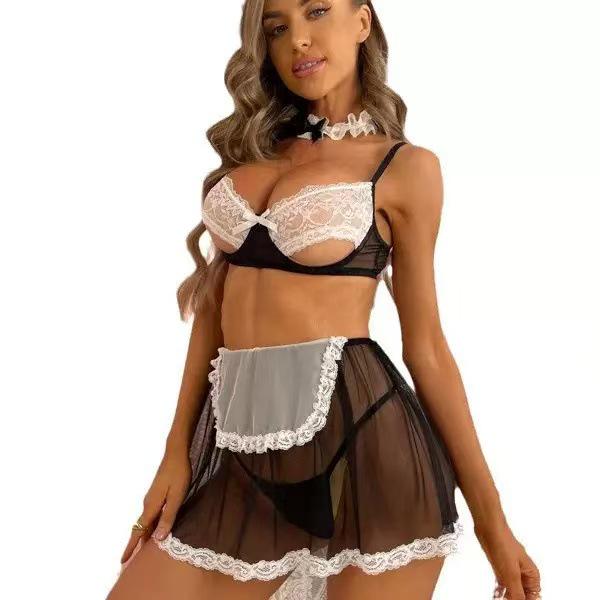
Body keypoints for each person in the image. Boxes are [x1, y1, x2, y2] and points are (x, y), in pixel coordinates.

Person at [106, 1, 541, 599]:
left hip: (366, 449)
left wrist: (495, 526)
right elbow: (212, 314)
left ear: (362, 22)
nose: (299, 40)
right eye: (277, 27)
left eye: (317, 11)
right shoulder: (252, 156)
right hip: (239, 456)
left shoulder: (405, 169)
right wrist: (174, 454)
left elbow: (428, 349)